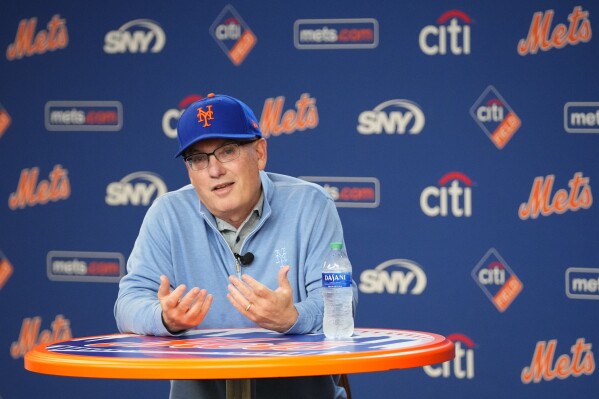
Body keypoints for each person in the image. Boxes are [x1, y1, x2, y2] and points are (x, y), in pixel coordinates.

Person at [114, 93, 358, 399]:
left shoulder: (310, 204)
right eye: (198, 159)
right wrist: (163, 318)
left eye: (227, 151)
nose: (214, 170)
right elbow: (128, 304)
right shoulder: (168, 214)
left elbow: (339, 302)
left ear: (260, 152)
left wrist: (293, 318)